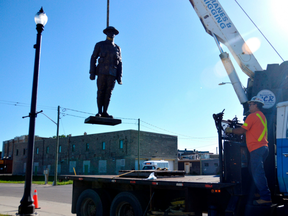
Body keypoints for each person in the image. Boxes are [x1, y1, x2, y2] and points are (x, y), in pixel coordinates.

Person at [225, 96, 271, 206]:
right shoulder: (261, 116)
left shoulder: (252, 116)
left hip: (256, 148)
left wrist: (230, 130)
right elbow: (249, 131)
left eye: (251, 104)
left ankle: (265, 197)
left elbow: (241, 131)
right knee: (253, 170)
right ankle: (259, 193)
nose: (249, 106)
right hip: (263, 148)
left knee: (257, 173)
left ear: (256, 105)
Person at [89, 26, 122, 118]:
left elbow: (120, 63)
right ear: (106, 33)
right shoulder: (100, 45)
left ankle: (105, 112)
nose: (112, 34)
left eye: (113, 32)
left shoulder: (117, 48)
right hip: (101, 71)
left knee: (108, 93)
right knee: (100, 91)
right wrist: (92, 72)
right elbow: (93, 58)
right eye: (109, 32)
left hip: (112, 73)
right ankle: (99, 111)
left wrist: (119, 77)